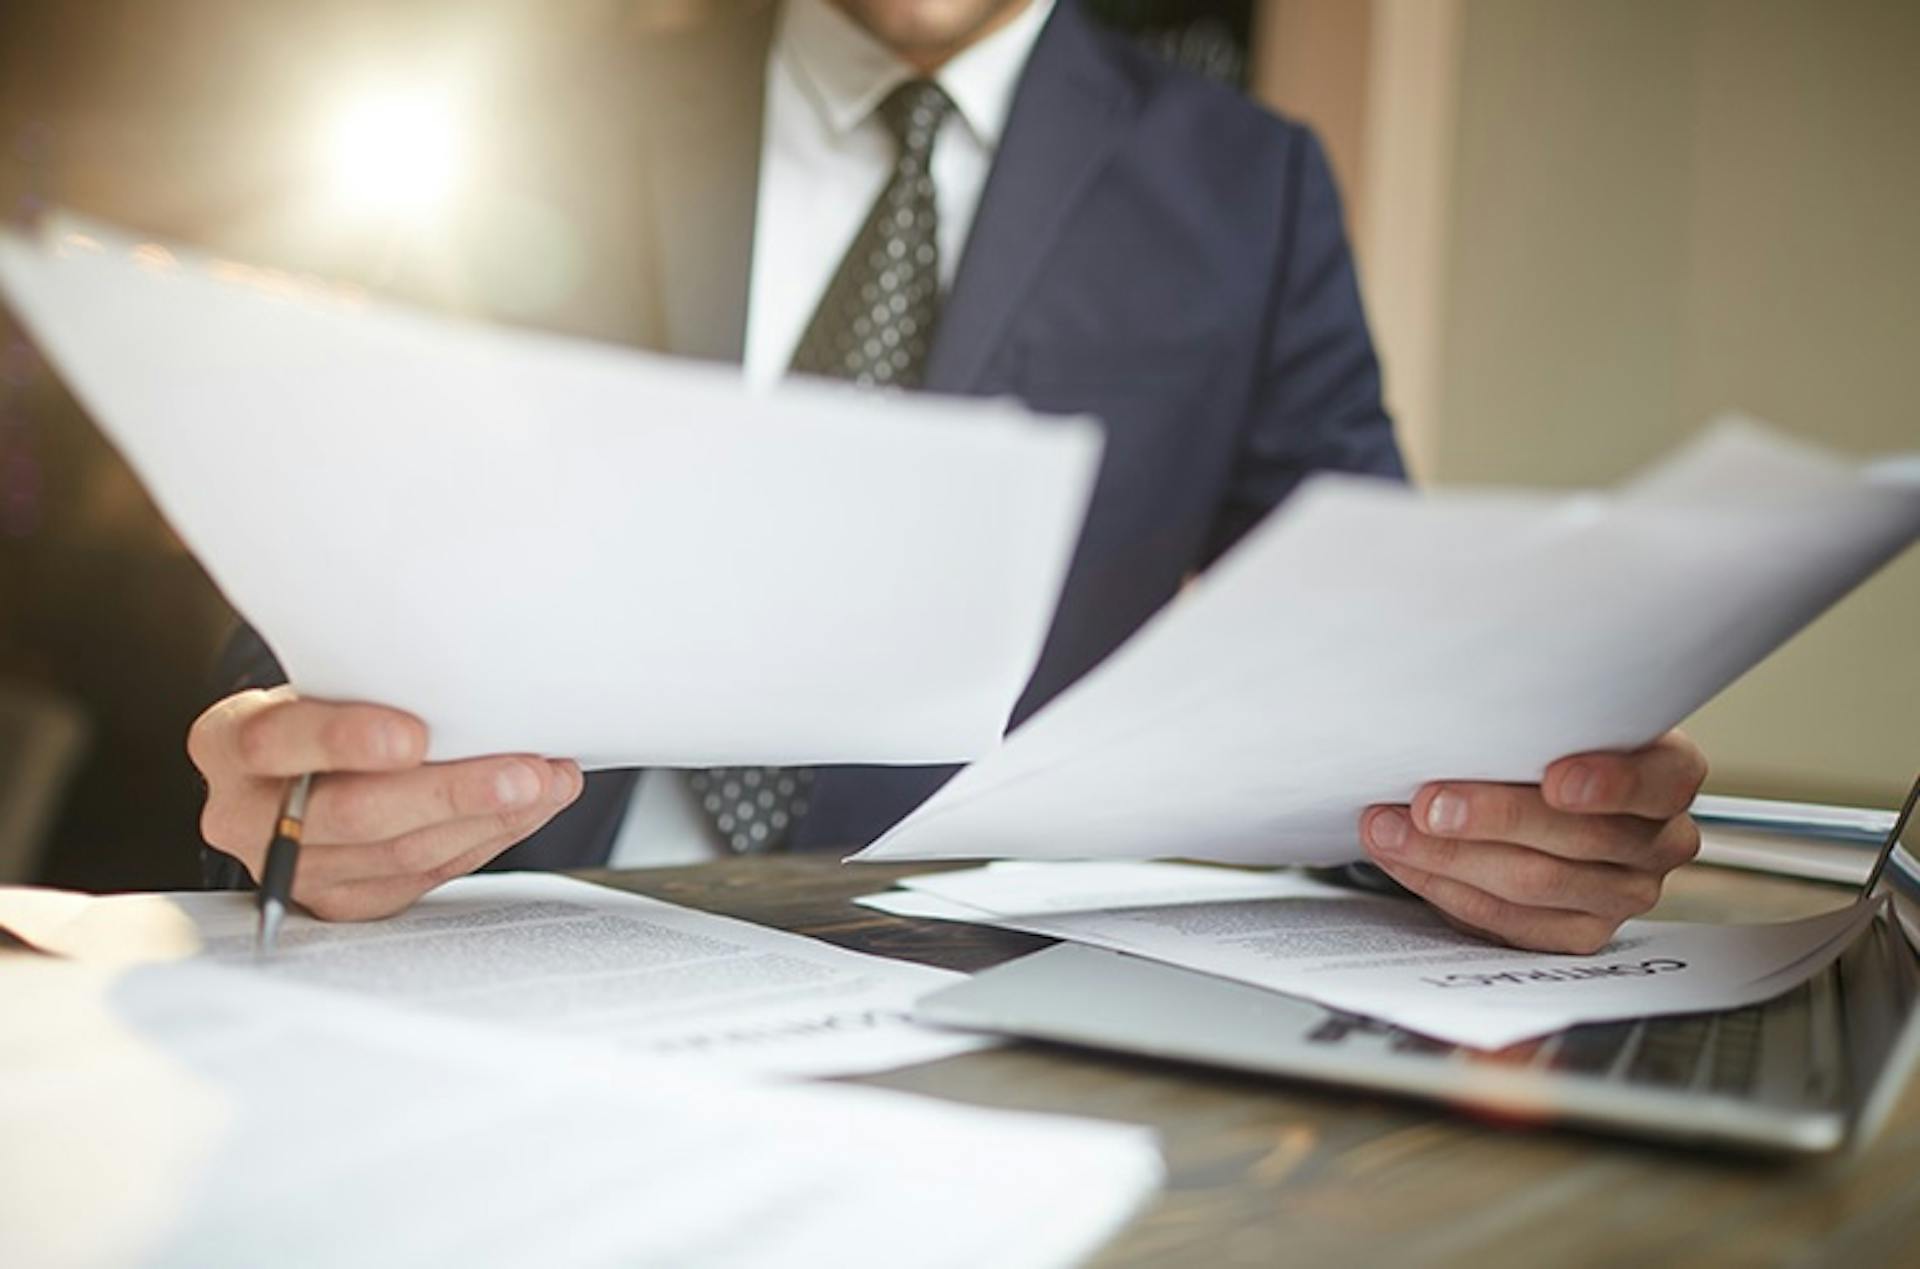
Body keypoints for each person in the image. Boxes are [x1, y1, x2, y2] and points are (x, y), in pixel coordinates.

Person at [189, 0, 1705, 952]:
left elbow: (1371, 655)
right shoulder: (537, 110)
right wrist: (291, 758)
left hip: (988, 958)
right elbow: (343, 537)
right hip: (511, 910)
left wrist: (1506, 812)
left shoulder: (1251, 187)